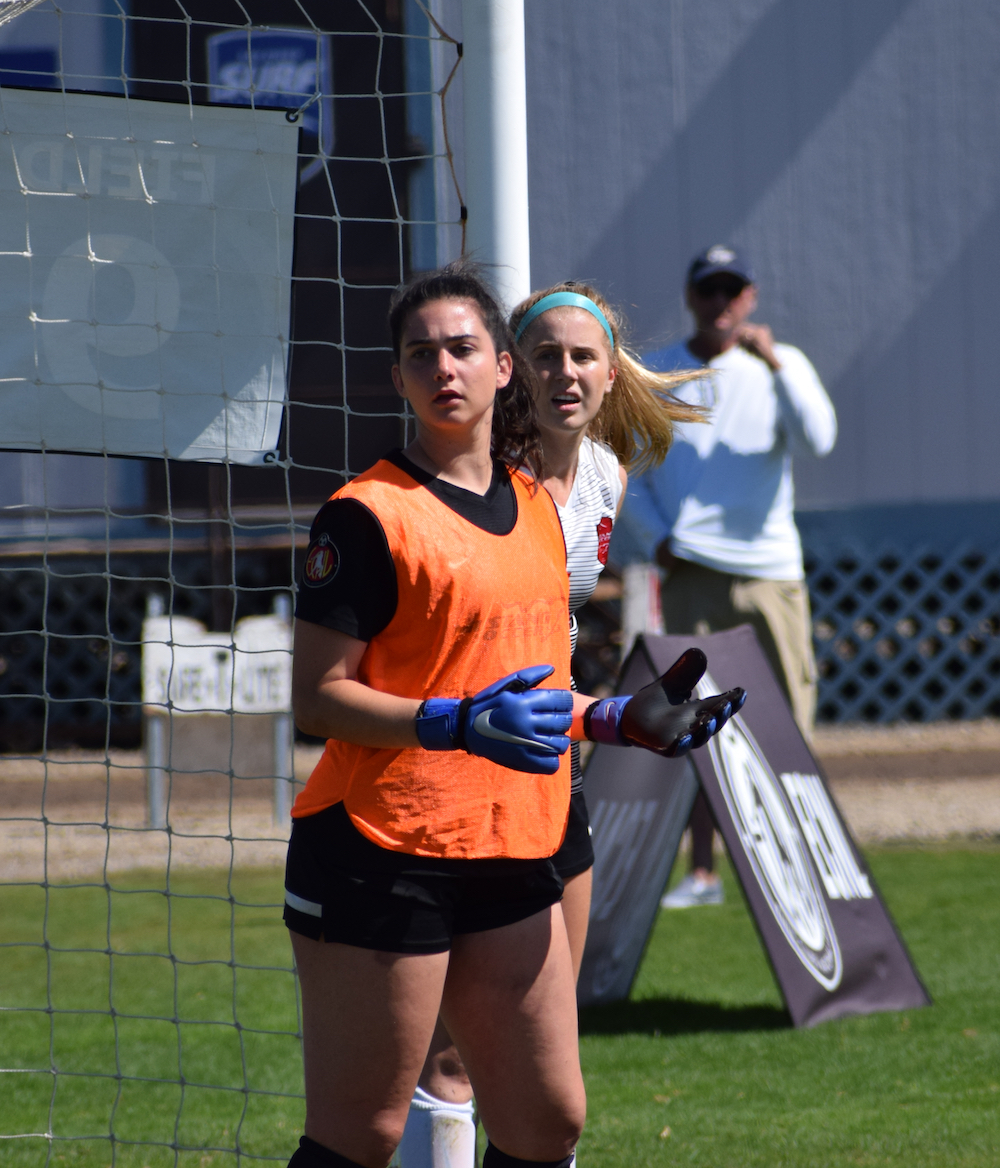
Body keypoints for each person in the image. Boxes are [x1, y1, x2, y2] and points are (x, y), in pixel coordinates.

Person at [285, 262, 743, 1168]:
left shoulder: (541, 506)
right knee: (362, 1136)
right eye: (421, 354)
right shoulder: (367, 514)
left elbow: (527, 690)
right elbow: (315, 698)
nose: (442, 368)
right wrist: (451, 724)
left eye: (462, 349)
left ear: (502, 369)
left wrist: (619, 718)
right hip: (384, 846)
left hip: (514, 841)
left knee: (546, 1122)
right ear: (399, 378)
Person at [395, 281, 711, 1168]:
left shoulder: (607, 477)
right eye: (544, 354)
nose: (563, 372)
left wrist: (614, 718)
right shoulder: (483, 478)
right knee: (453, 1057)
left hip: (555, 772)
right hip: (460, 776)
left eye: (582, 356)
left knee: (542, 1052)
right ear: (510, 370)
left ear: (612, 373)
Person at [623, 244, 837, 909]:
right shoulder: (658, 371)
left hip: (772, 573)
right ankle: (706, 874)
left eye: (732, 290)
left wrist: (774, 361)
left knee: (791, 723)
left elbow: (820, 438)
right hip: (692, 572)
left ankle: (804, 870)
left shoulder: (784, 365)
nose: (720, 303)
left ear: (751, 297)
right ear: (691, 297)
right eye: (708, 290)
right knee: (694, 723)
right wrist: (659, 540)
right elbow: (630, 474)